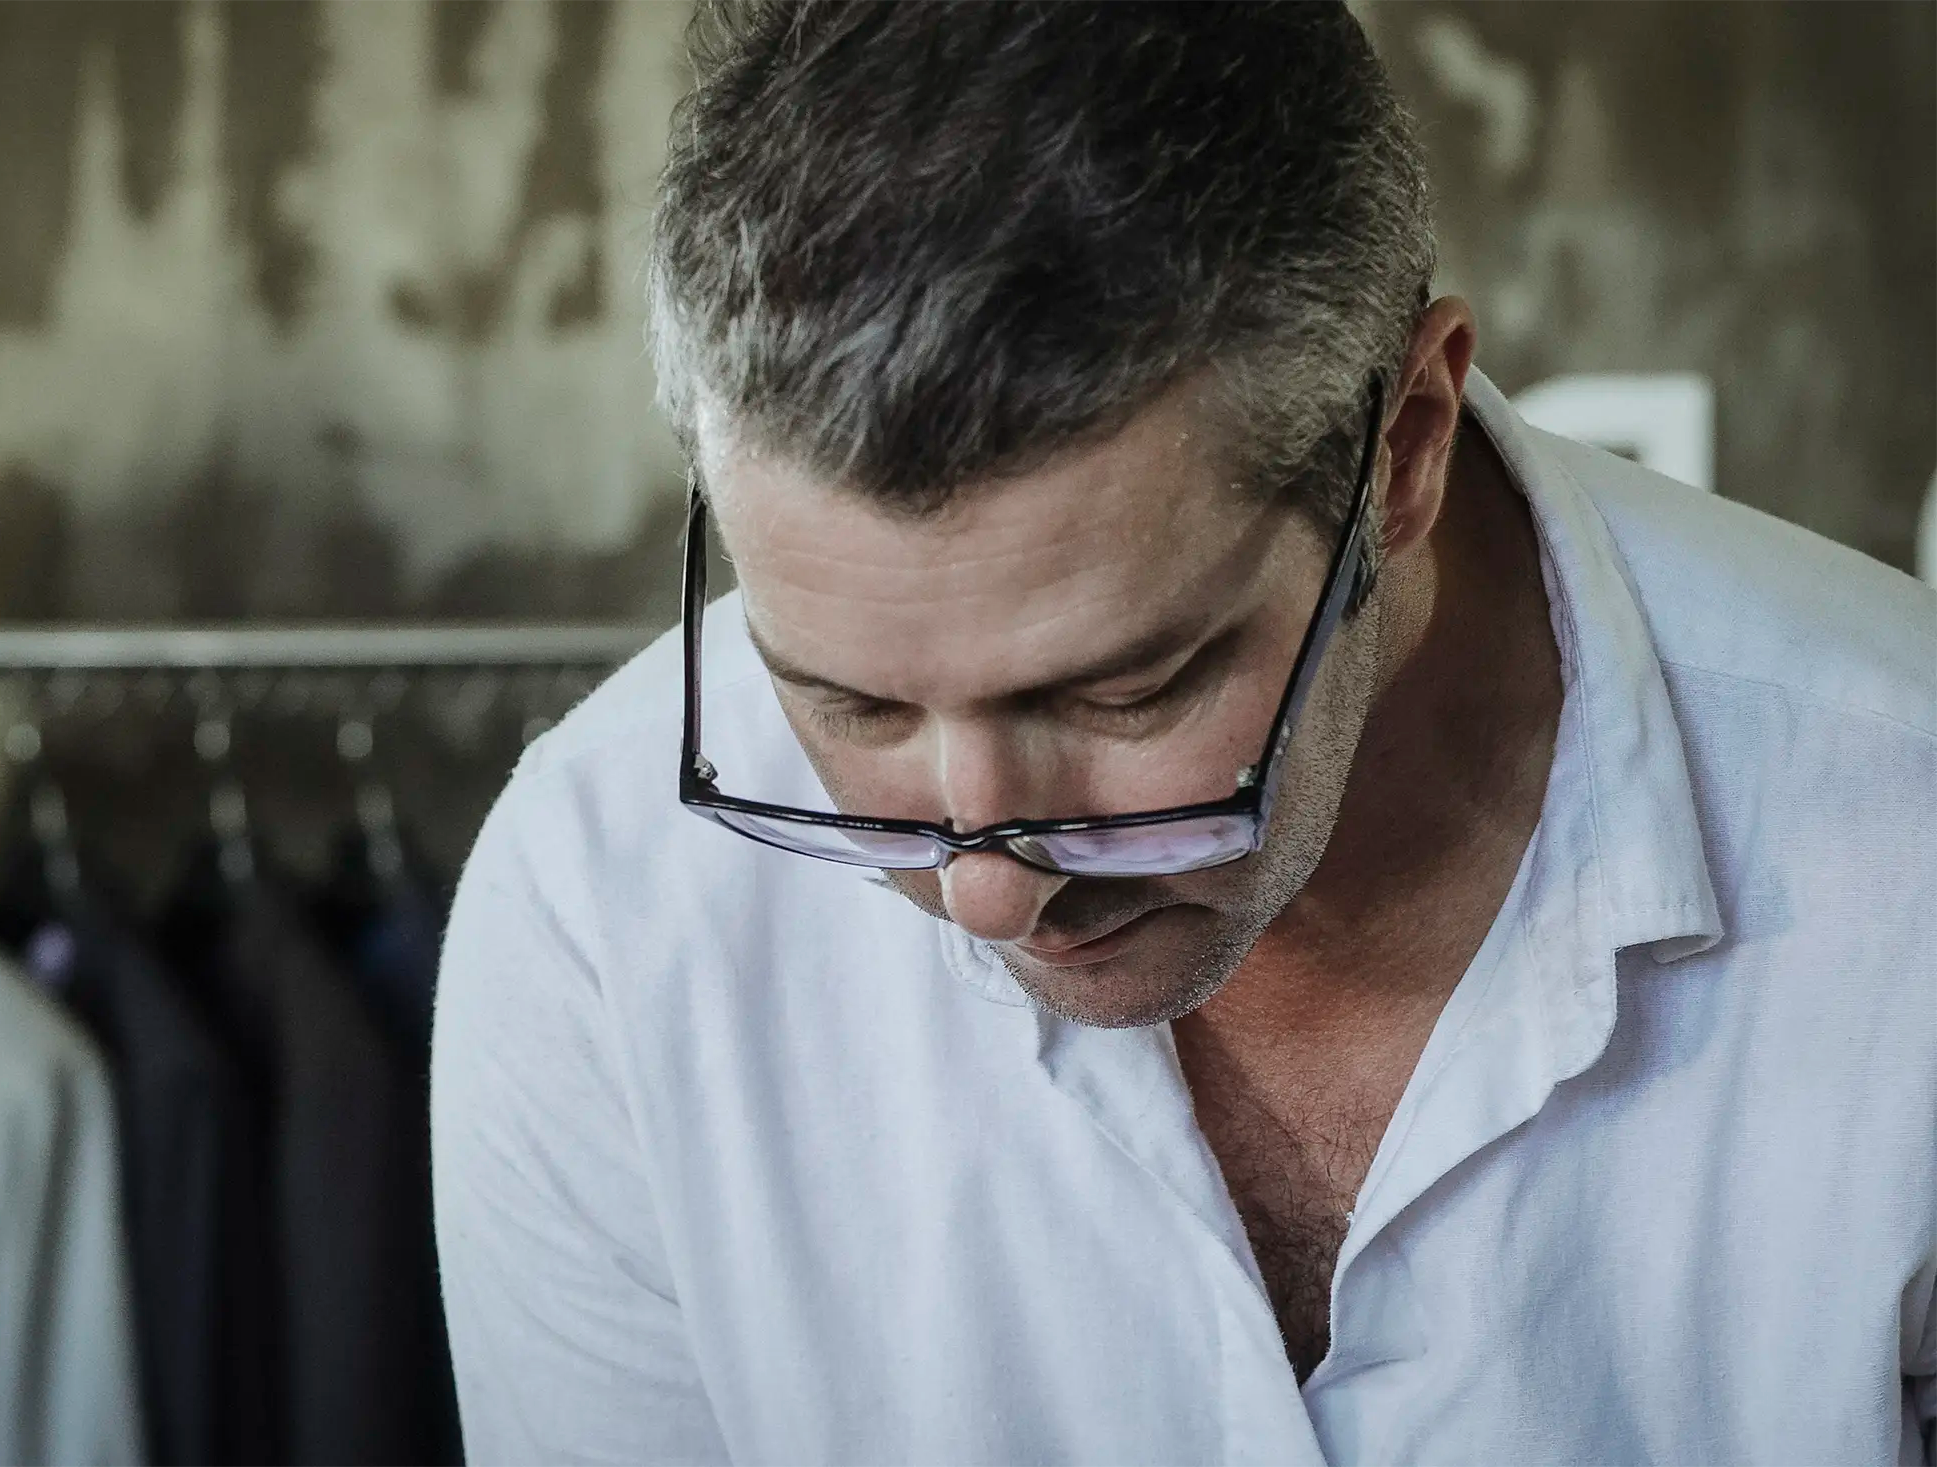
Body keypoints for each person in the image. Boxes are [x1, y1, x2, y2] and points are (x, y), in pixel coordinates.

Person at [432, 1, 1937, 1461]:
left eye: (1124, 693)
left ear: (1401, 446)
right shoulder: (601, 913)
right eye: (852, 703)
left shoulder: (1903, 851)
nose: (987, 889)